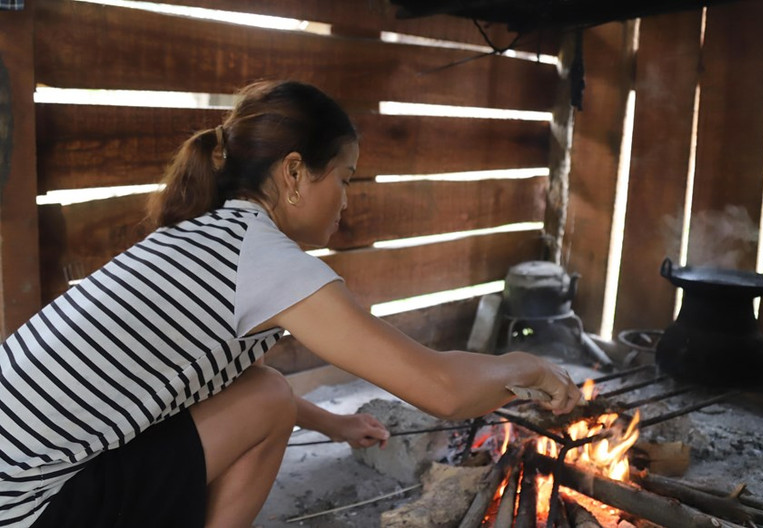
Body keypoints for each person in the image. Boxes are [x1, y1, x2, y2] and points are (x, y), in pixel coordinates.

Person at [0, 80, 582, 528]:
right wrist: (527, 368)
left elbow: (216, 379)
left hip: (17, 480)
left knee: (266, 391)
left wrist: (332, 422)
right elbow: (444, 390)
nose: (348, 201)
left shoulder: (205, 232)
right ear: (296, 172)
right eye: (346, 178)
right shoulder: (265, 260)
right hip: (31, 507)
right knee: (272, 397)